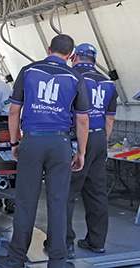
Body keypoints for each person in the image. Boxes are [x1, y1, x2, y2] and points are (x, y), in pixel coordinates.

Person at [0, 34, 90, 268]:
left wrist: (15, 143)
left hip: (32, 142)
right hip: (60, 144)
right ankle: (58, 260)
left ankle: (16, 258)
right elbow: (83, 121)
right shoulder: (75, 77)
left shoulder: (28, 71)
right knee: (58, 202)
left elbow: (13, 111)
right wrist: (81, 152)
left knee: (26, 201)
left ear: (48, 48)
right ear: (70, 55)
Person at [65, 43, 118, 258]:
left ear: (75, 57)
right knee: (97, 193)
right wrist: (101, 142)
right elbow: (110, 118)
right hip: (98, 138)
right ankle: (97, 242)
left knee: (67, 193)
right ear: (94, 60)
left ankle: (64, 243)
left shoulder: (70, 77)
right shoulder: (108, 82)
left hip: (76, 138)